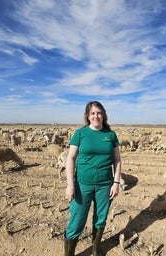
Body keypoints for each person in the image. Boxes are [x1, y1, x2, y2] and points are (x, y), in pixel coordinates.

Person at [64, 101, 122, 256]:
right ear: (88, 116)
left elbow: (117, 160)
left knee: (100, 218)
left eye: (99, 113)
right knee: (77, 221)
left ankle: (95, 249)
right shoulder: (80, 134)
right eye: (93, 113)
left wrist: (116, 183)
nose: (96, 116)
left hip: (105, 185)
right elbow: (70, 158)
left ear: (103, 115)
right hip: (82, 184)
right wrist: (70, 185)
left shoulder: (110, 135)